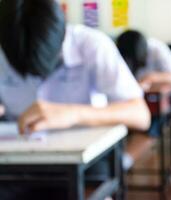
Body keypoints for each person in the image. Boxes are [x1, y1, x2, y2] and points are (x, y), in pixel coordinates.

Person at [0, 0, 150, 199]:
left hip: (87, 163)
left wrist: (74, 113)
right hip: (16, 162)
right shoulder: (4, 47)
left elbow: (141, 114)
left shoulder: (92, 45)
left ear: (63, 16)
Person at [116, 30, 171, 168]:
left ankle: (124, 162)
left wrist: (152, 78)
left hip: (161, 101)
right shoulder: (122, 53)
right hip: (138, 99)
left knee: (153, 123)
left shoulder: (157, 50)